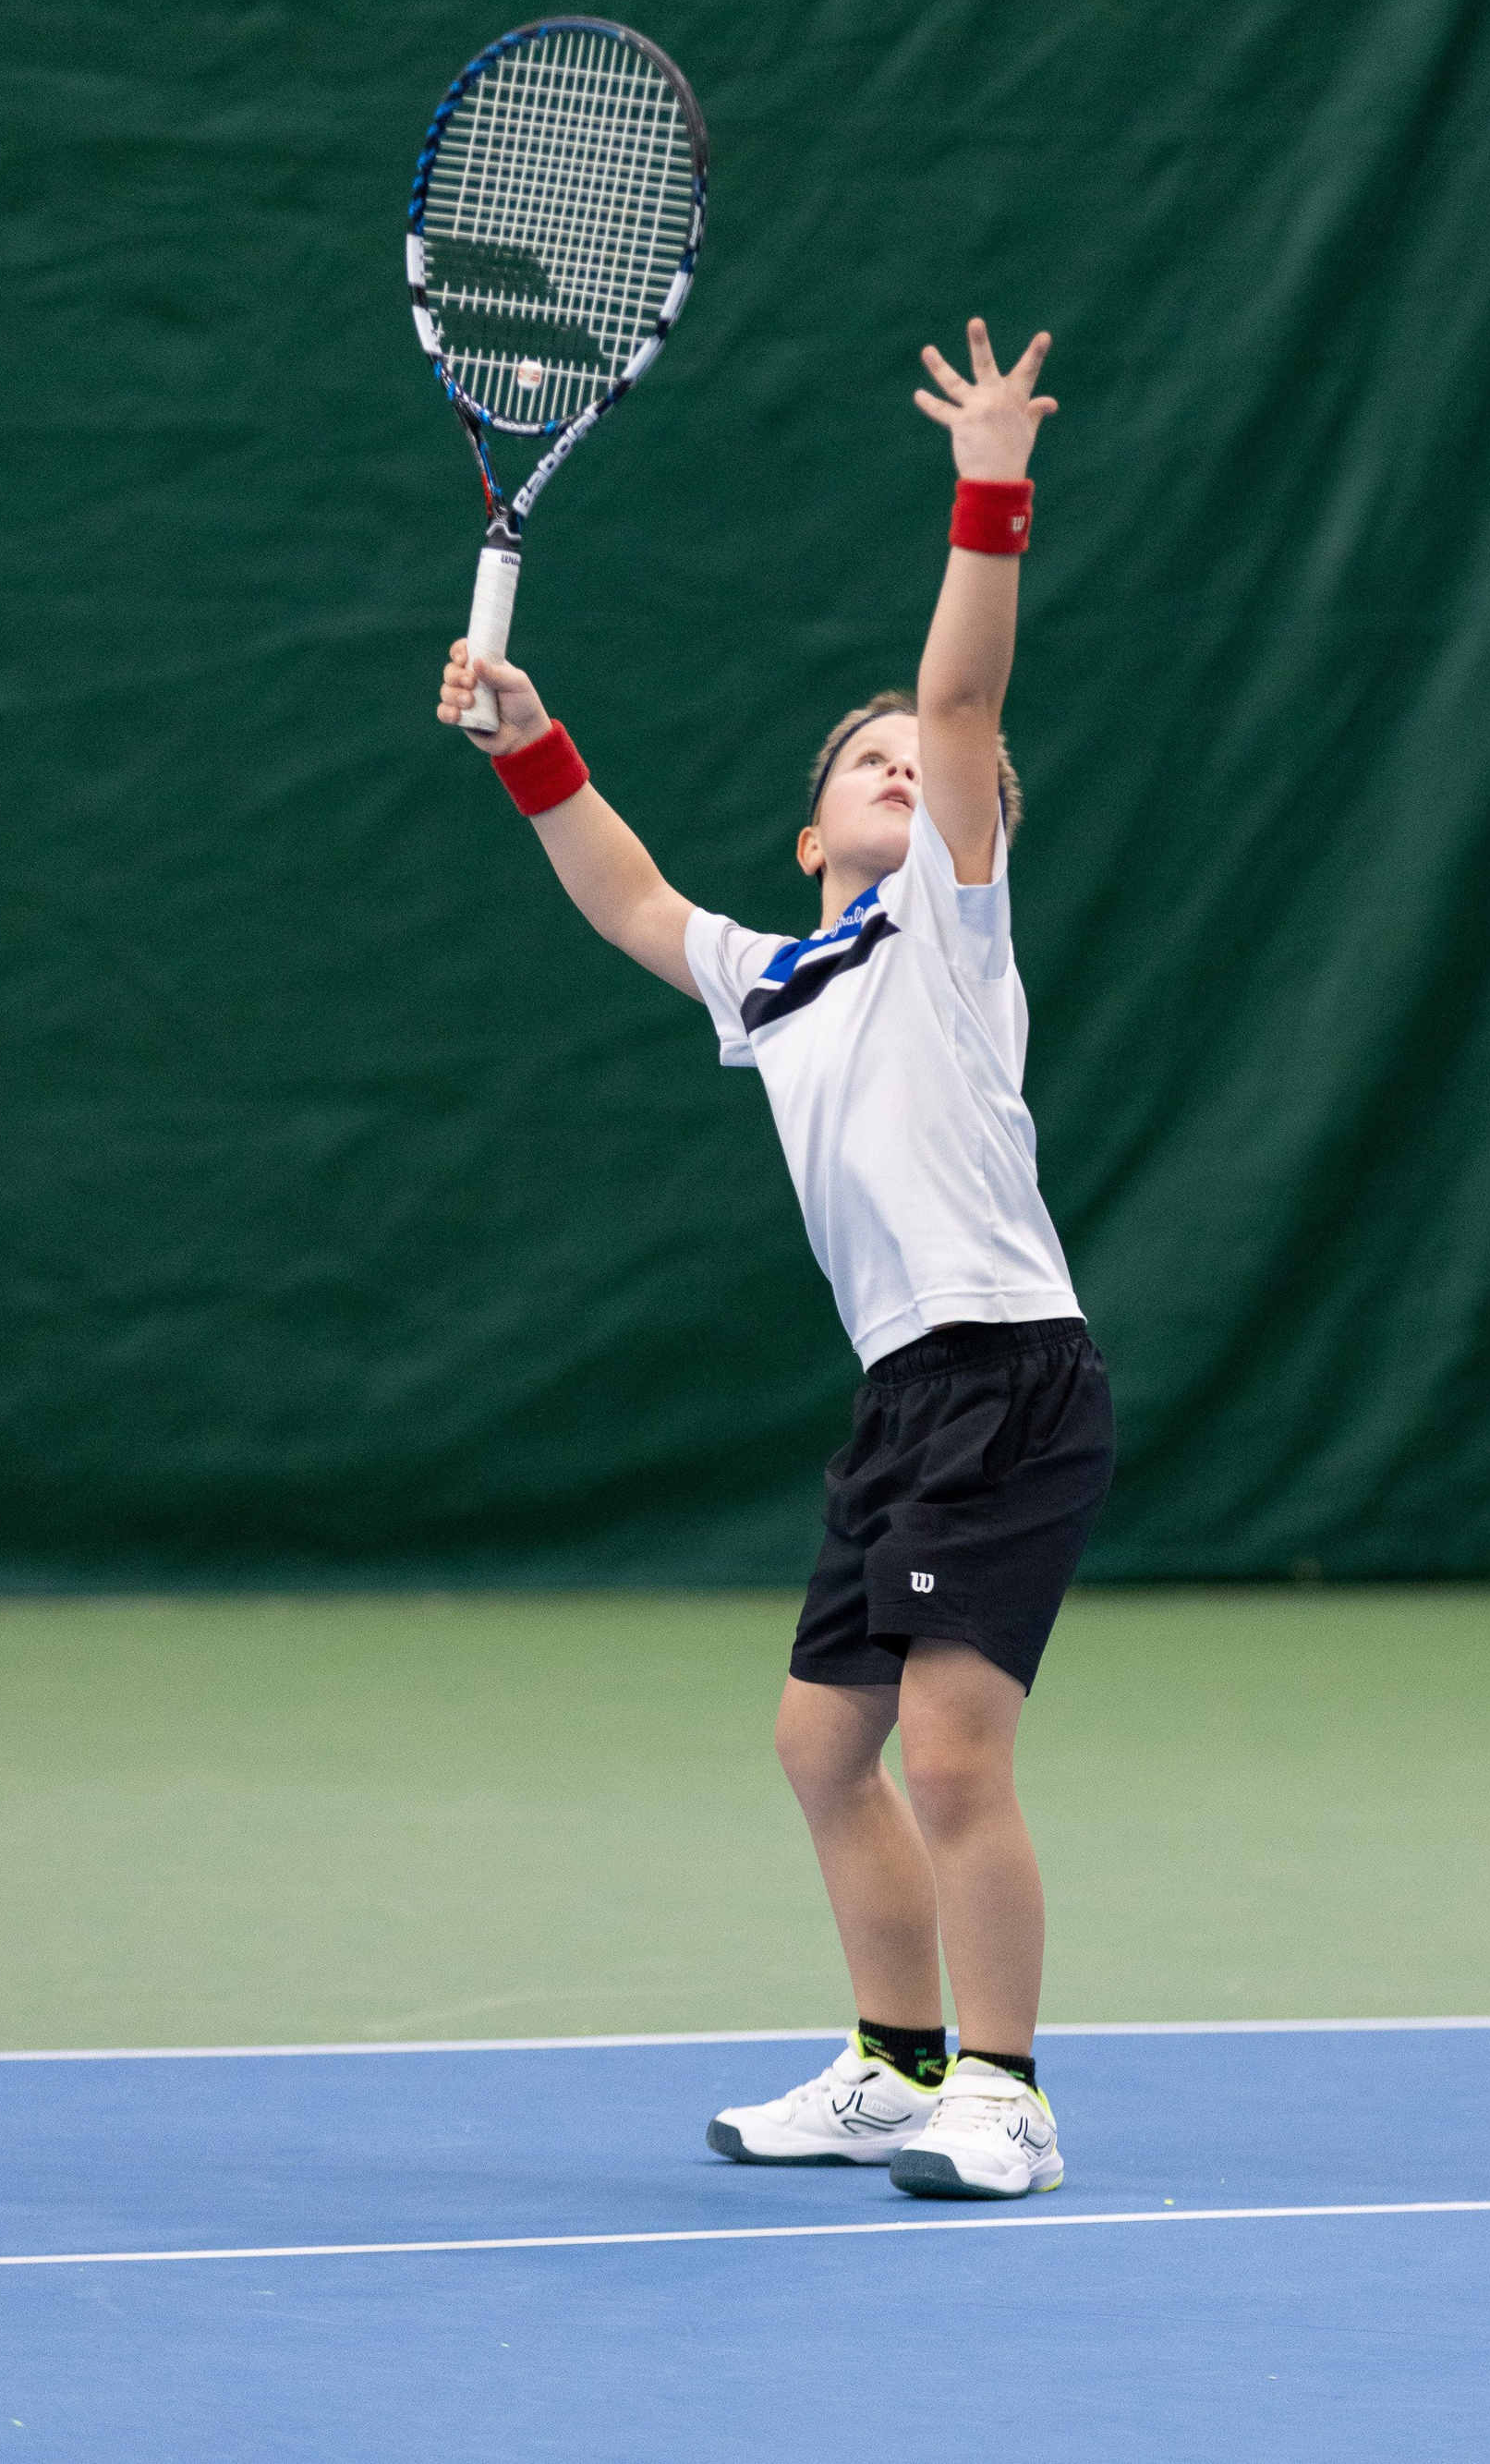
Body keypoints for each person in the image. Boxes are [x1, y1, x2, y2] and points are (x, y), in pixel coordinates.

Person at [436, 318, 1113, 2203]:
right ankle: (896, 2063)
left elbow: (962, 699)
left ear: (972, 827)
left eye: (932, 766)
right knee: (826, 1744)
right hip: (903, 1391)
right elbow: (630, 895)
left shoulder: (948, 923)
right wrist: (525, 738)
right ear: (810, 829)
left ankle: (1006, 2092)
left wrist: (991, 489)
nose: (907, 762)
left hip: (1007, 1368)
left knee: (952, 1754)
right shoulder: (775, 975)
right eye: (864, 760)